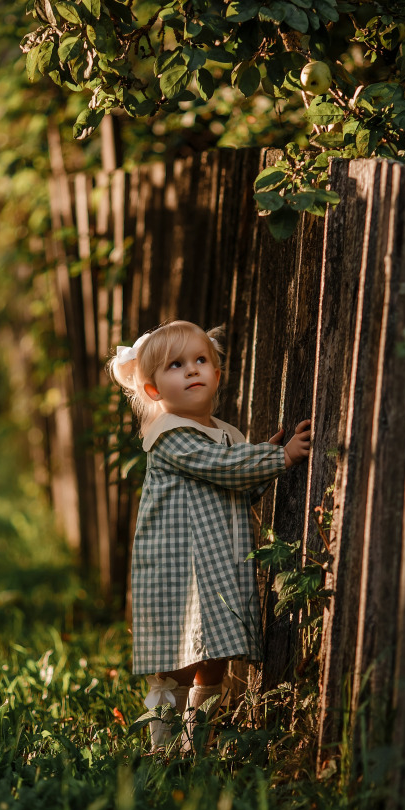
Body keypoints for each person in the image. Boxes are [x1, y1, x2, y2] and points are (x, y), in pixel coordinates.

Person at [108, 320, 311, 751]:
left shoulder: (226, 435)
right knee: (179, 661)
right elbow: (223, 467)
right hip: (177, 568)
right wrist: (277, 456)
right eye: (176, 365)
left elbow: (241, 484)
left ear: (217, 373)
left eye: (201, 360)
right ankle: (162, 747)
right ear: (153, 391)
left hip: (216, 566)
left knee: (214, 657)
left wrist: (263, 457)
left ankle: (192, 744)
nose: (192, 371)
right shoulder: (169, 436)